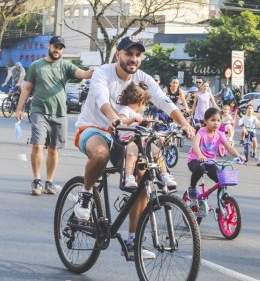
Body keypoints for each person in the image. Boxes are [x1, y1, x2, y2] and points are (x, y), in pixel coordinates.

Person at [73, 36, 195, 258]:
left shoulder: (143, 78)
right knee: (101, 154)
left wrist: (185, 124)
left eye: (138, 55)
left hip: (126, 135)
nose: (134, 59)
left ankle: (132, 241)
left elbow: (164, 101)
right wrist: (112, 117)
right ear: (118, 55)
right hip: (94, 127)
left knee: (143, 174)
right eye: (129, 54)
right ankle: (86, 194)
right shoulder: (103, 72)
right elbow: (102, 99)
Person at [15, 36, 94, 196]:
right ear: (49, 46)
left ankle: (49, 181)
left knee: (53, 149)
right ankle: (37, 180)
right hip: (39, 110)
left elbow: (83, 74)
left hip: (59, 112)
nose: (57, 50)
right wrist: (19, 109)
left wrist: (91, 71)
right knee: (37, 145)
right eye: (55, 47)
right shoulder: (36, 65)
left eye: (60, 48)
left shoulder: (65, 65)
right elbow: (27, 88)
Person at [117, 81, 176, 189]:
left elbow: (143, 128)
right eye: (145, 104)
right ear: (140, 101)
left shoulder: (138, 114)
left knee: (157, 152)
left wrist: (147, 124)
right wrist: (132, 119)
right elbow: (121, 121)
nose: (145, 107)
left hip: (141, 140)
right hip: (128, 140)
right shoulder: (126, 110)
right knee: (132, 153)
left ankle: (165, 175)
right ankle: (129, 176)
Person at [187, 108, 245, 199]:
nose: (216, 123)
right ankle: (192, 187)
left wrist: (239, 156)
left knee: (222, 181)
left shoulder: (220, 134)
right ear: (206, 121)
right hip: (195, 160)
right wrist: (200, 155)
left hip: (210, 162)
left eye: (218, 120)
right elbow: (195, 145)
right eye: (213, 120)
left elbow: (229, 147)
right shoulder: (201, 132)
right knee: (200, 168)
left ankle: (221, 205)